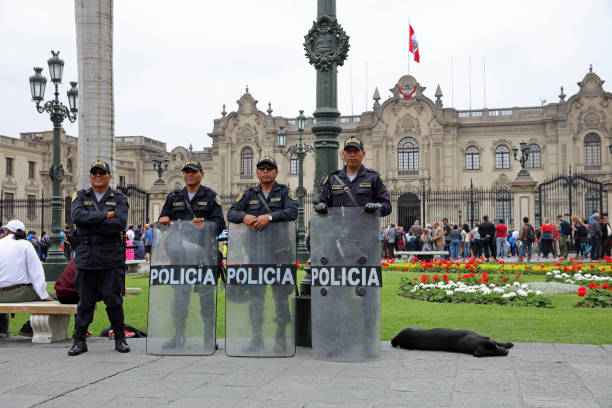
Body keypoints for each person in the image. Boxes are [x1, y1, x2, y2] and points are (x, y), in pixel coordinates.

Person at [227, 155, 298, 352]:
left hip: (280, 254)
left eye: (269, 168)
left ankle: (281, 338)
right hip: (256, 253)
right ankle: (256, 338)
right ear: (257, 173)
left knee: (281, 298)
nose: (265, 171)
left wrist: (269, 217)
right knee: (256, 298)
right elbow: (231, 213)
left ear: (276, 172)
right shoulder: (249, 193)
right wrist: (245, 215)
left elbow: (293, 212)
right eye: (262, 168)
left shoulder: (284, 192)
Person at [158, 159, 225, 350]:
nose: (189, 175)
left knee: (206, 299)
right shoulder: (174, 196)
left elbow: (220, 223)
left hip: (204, 255)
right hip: (180, 257)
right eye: (186, 172)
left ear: (201, 174)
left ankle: (208, 338)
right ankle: (178, 336)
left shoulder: (210, 196)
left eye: (194, 172)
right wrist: (162, 220)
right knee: (179, 298)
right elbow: (163, 218)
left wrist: (206, 225)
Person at [68, 160, 130, 356]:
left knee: (113, 299)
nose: (98, 176)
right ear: (90, 176)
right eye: (94, 173)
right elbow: (78, 218)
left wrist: (93, 219)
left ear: (109, 176)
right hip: (87, 253)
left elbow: (119, 224)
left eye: (102, 173)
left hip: (110, 253)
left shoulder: (118, 198)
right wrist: (105, 215)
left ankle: (120, 337)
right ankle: (79, 340)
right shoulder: (80, 196)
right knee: (85, 300)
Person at [0, 220, 55, 338]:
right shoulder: (26, 245)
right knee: (58, 297)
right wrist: (44, 295)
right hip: (18, 292)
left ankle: (3, 329)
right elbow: (37, 273)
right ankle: (29, 327)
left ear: (7, 231)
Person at [315, 136, 391, 218]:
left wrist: (377, 206)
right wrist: (322, 205)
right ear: (343, 155)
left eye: (356, 151)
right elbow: (323, 201)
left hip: (365, 229)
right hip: (339, 229)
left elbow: (387, 206)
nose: (352, 155)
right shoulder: (333, 178)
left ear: (363, 154)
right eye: (349, 151)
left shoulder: (373, 177)